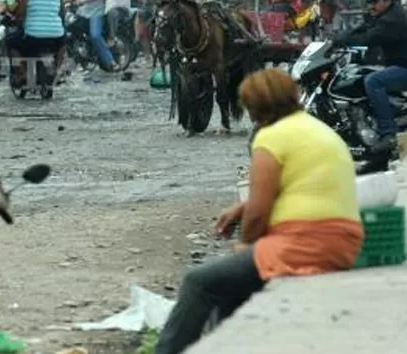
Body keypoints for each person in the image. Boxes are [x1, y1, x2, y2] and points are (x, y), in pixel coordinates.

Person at [156, 68, 363, 354]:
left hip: (305, 242)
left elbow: (257, 215)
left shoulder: (272, 137)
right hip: (342, 240)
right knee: (230, 286)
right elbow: (295, 184)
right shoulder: (313, 128)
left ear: (257, 106)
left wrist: (246, 243)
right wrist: (242, 207)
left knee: (198, 283)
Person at [334, 0, 407, 154]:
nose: (371, 6)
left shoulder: (392, 20)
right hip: (397, 64)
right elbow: (363, 28)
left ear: (387, 0)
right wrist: (340, 37)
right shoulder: (382, 15)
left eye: (375, 2)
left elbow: (369, 38)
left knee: (373, 81)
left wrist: (344, 41)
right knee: (360, 73)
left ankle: (389, 133)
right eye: (369, 2)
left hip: (404, 67)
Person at [6, 0, 66, 80]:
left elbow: (19, 14)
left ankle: (23, 74)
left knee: (10, 43)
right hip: (56, 36)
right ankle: (57, 69)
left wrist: (19, 22)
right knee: (63, 44)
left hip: (33, 37)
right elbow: (62, 14)